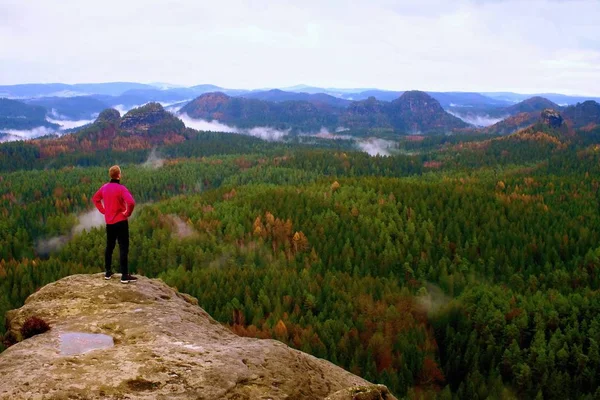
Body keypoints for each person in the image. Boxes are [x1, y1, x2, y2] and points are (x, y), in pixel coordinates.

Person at [92, 165, 137, 283]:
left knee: (109, 246)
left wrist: (104, 211)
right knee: (123, 247)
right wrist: (127, 213)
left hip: (109, 222)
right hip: (121, 222)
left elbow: (95, 199)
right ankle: (124, 276)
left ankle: (107, 272)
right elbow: (131, 202)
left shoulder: (104, 188)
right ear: (119, 175)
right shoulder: (121, 189)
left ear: (110, 175)